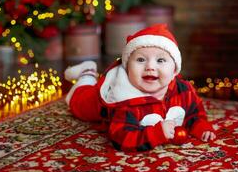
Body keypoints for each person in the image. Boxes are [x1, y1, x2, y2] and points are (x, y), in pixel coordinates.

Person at [64, 23, 216, 152]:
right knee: (78, 103)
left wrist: (202, 127)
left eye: (161, 60)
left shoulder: (184, 90)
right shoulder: (124, 99)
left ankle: (89, 73)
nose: (150, 67)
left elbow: (194, 114)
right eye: (141, 59)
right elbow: (121, 138)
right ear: (128, 67)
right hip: (95, 103)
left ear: (175, 70)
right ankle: (87, 74)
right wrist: (157, 133)